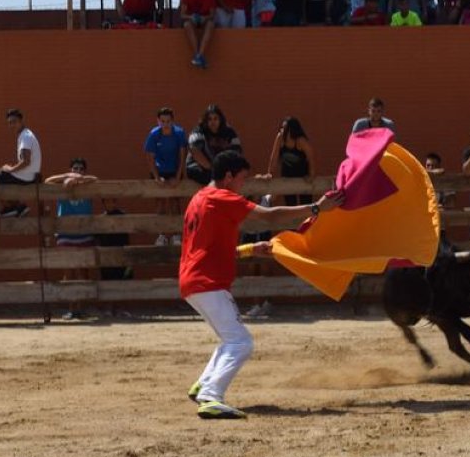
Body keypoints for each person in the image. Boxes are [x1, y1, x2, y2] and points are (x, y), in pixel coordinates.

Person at [181, 150, 343, 419]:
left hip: (193, 280)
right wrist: (316, 208)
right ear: (229, 176)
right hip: (207, 282)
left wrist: (248, 250)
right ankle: (210, 395)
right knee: (241, 342)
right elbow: (270, 216)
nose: (242, 187)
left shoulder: (198, 199)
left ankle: (202, 386)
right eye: (241, 180)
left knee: (230, 337)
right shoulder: (221, 197)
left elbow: (208, 248)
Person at [45, 158, 99, 320]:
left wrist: (79, 179)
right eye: (74, 168)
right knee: (68, 272)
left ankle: (80, 308)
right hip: (65, 234)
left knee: (83, 272)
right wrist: (66, 177)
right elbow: (47, 181)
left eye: (81, 169)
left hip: (84, 233)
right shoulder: (62, 185)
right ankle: (70, 308)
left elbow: (96, 180)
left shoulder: (87, 185)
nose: (77, 171)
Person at [0, 108, 42, 218]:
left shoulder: (25, 136)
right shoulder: (26, 135)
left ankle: (6, 209)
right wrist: (10, 169)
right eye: (10, 123)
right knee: (1, 175)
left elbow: (26, 161)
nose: (12, 125)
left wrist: (10, 170)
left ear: (21, 121)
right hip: (29, 175)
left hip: (26, 177)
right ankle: (18, 207)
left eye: (14, 122)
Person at [144, 107, 188, 245]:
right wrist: (157, 178)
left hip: (174, 169)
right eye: (162, 121)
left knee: (175, 201)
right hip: (159, 170)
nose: (165, 124)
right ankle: (161, 235)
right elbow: (149, 158)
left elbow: (182, 156)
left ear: (172, 121)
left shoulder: (179, 133)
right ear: (158, 121)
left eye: (168, 121)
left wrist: (178, 175)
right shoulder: (153, 135)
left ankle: (176, 235)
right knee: (161, 201)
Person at [260, 116, 315, 205]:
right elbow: (274, 157)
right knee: (290, 204)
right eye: (281, 128)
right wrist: (270, 173)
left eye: (285, 128)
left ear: (292, 130)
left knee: (306, 204)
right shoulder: (280, 138)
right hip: (287, 174)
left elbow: (311, 158)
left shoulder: (301, 141)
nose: (282, 130)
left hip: (302, 174)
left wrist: (311, 175)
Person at [185, 104, 242, 185]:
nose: (213, 122)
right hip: (198, 167)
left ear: (220, 120)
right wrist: (213, 169)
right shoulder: (198, 132)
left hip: (220, 169)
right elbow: (195, 152)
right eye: (210, 119)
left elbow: (237, 151)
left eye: (215, 119)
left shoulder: (229, 133)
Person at [180, 0, 217, 68]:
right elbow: (182, 14)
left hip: (204, 20)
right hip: (192, 20)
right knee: (187, 24)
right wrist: (191, 17)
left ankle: (200, 54)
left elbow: (213, 14)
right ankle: (198, 55)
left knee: (211, 24)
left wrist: (205, 18)